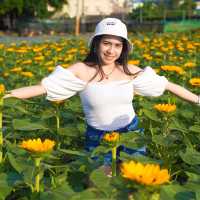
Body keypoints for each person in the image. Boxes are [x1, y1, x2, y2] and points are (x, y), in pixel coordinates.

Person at [4, 18, 200, 170]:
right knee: (99, 188)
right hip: (97, 137)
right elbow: (42, 88)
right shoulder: (81, 70)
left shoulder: (129, 71)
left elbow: (167, 85)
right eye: (107, 43)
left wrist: (198, 100)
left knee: (133, 188)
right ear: (96, 44)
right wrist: (4, 97)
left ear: (123, 48)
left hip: (131, 133)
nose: (111, 50)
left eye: (117, 45)